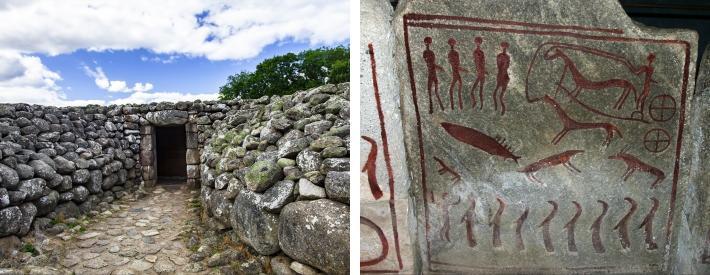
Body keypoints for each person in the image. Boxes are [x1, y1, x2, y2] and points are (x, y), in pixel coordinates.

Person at [423, 37, 445, 114]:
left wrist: (438, 67)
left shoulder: (430, 53)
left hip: (432, 73)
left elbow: (431, 63)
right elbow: (430, 63)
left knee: (434, 91)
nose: (427, 45)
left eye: (428, 43)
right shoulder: (426, 53)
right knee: (431, 91)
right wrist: (439, 67)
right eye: (427, 43)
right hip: (431, 73)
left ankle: (437, 106)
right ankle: (433, 107)